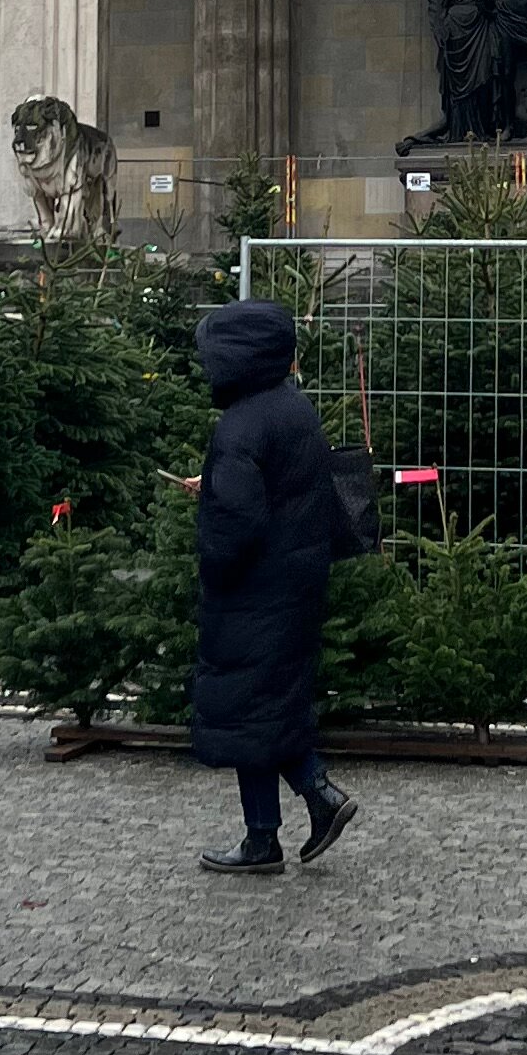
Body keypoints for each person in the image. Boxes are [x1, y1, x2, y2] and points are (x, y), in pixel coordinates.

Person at [188, 297, 357, 875]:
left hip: (253, 590)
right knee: (261, 706)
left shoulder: (239, 424)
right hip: (295, 580)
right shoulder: (292, 409)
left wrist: (211, 569)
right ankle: (268, 832)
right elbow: (288, 488)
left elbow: (235, 525)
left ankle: (309, 800)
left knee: (250, 708)